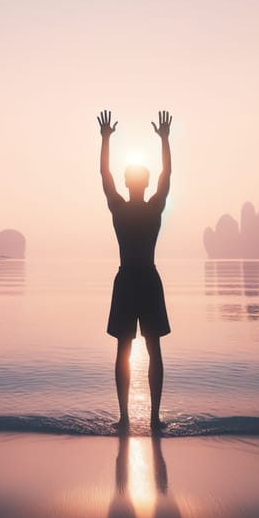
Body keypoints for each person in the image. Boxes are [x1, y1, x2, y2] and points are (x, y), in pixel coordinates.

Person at [97, 109, 172, 432]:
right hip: (145, 279)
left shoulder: (119, 208)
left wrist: (105, 140)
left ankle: (126, 418)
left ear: (129, 183)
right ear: (143, 183)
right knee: (152, 349)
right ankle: (152, 418)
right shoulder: (154, 207)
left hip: (129, 278)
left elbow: (104, 176)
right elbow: (167, 176)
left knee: (124, 350)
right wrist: (165, 141)